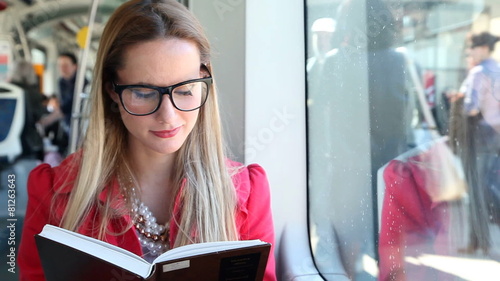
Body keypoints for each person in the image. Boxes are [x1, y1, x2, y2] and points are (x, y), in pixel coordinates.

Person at [18, 1, 276, 280]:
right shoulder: (53, 192)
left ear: (205, 82)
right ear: (113, 92)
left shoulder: (247, 193)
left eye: (186, 90)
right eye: (143, 93)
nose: (169, 115)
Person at [9, 60, 45, 160]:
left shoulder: (7, 90)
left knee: (10, 175)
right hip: (27, 142)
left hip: (6, 142)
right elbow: (38, 116)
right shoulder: (33, 93)